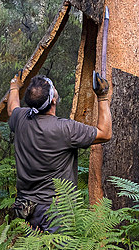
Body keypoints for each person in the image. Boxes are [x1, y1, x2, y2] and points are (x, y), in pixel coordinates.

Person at [6, 72, 113, 231]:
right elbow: (105, 134)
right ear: (53, 100)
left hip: (26, 207)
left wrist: (14, 86)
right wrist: (103, 97)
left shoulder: (20, 118)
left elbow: (11, 108)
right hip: (57, 210)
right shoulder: (65, 129)